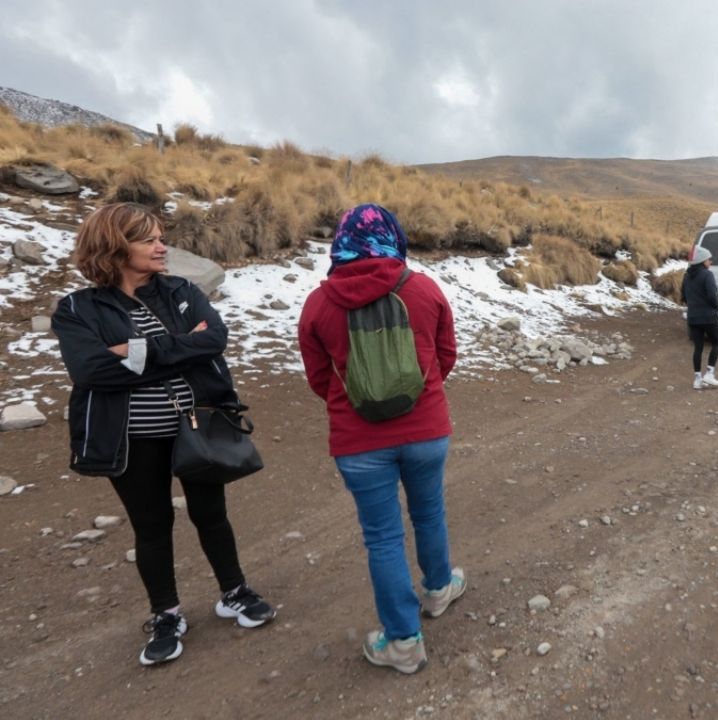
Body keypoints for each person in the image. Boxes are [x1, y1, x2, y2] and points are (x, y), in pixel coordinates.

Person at [51, 202, 275, 667]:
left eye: (160, 236)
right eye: (148, 239)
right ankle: (166, 614)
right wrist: (178, 349)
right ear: (114, 246)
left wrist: (133, 352)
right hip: (130, 439)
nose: (161, 246)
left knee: (211, 514)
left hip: (196, 426)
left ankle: (233, 591)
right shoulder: (77, 308)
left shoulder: (180, 290)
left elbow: (213, 339)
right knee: (152, 526)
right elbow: (91, 369)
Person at [298, 203, 465, 675]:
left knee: (383, 538)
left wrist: (351, 401)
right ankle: (437, 590)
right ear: (395, 237)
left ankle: (403, 642)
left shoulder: (318, 303)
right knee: (429, 512)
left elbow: (318, 377)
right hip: (427, 430)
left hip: (358, 441)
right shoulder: (424, 289)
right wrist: (422, 393)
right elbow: (446, 354)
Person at [681, 245, 718, 389]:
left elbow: (683, 296)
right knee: (716, 343)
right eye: (709, 259)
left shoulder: (686, 276)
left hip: (693, 317)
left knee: (698, 348)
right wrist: (716, 306)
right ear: (703, 261)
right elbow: (712, 295)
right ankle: (709, 374)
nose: (711, 262)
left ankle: (697, 379)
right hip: (709, 317)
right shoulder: (707, 275)